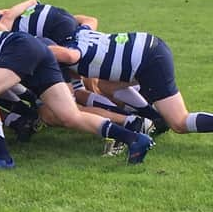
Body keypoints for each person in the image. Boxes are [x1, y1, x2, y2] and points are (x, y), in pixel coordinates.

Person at [0, 29, 154, 171]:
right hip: (37, 48)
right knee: (69, 116)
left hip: (20, 47)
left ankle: (3, 157)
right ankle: (135, 139)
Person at [50, 27, 213, 135]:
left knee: (179, 123)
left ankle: (154, 117)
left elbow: (70, 61)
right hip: (146, 45)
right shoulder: (79, 30)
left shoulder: (68, 54)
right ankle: (153, 116)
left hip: (149, 61)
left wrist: (37, 49)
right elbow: (89, 19)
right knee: (106, 85)